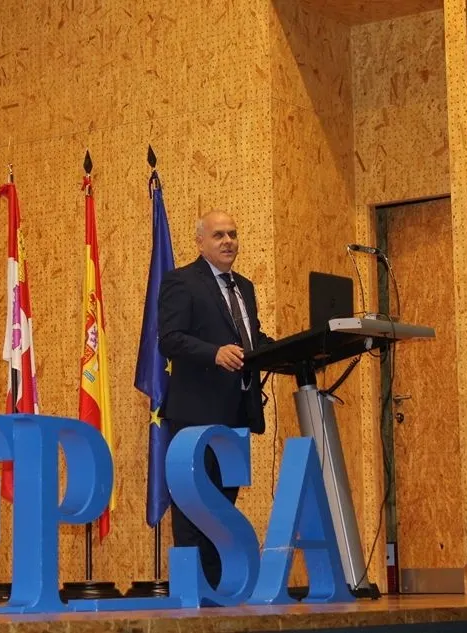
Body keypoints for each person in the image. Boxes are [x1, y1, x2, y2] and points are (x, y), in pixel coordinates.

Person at [156, 209, 273, 590]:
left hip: (236, 416)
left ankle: (220, 590)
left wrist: (299, 351)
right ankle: (194, 593)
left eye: (233, 234)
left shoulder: (246, 287)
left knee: (223, 509)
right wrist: (214, 353)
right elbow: (169, 338)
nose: (228, 241)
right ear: (200, 242)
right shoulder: (182, 282)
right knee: (194, 509)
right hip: (196, 418)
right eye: (219, 235)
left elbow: (253, 342)